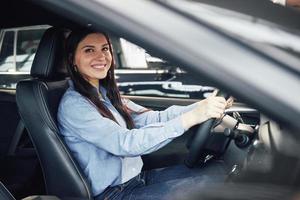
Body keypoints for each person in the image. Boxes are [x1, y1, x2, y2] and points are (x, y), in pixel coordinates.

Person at [57, 29, 239, 200]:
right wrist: (190, 119)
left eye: (105, 48)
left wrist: (200, 107)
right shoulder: (75, 105)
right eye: (89, 50)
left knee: (220, 175)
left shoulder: (104, 94)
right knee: (219, 190)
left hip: (136, 180)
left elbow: (152, 118)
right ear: (73, 59)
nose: (101, 56)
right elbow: (125, 143)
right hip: (114, 194)